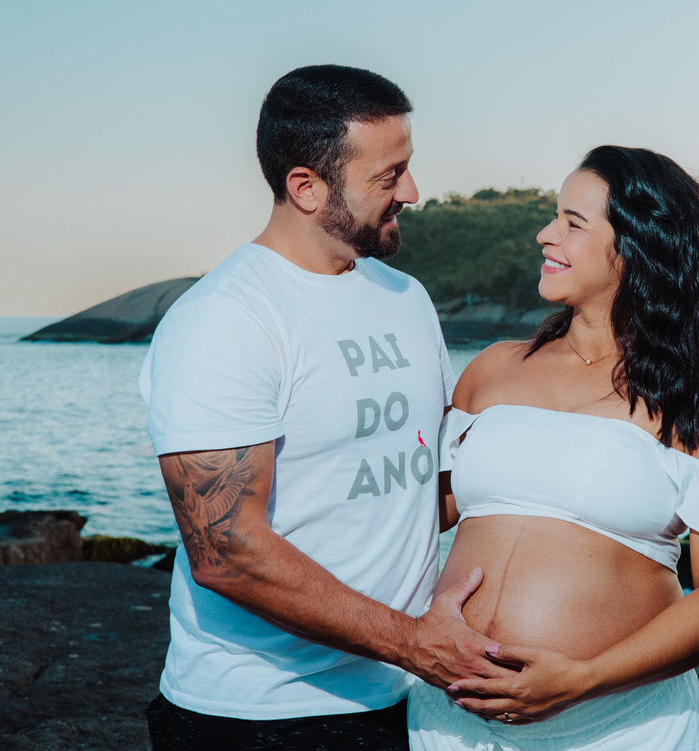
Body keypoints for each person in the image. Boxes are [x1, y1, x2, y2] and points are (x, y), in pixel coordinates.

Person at [139, 64, 514, 751]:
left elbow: (420, 490)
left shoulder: (407, 299)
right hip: (255, 719)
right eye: (388, 176)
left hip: (400, 699)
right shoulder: (226, 320)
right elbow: (225, 551)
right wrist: (414, 644)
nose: (413, 192)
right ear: (306, 187)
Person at [407, 146, 699, 750]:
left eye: (571, 223)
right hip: (446, 718)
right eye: (554, 216)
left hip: (616, 726)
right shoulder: (492, 369)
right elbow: (416, 517)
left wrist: (582, 680)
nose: (544, 234)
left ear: (636, 248)